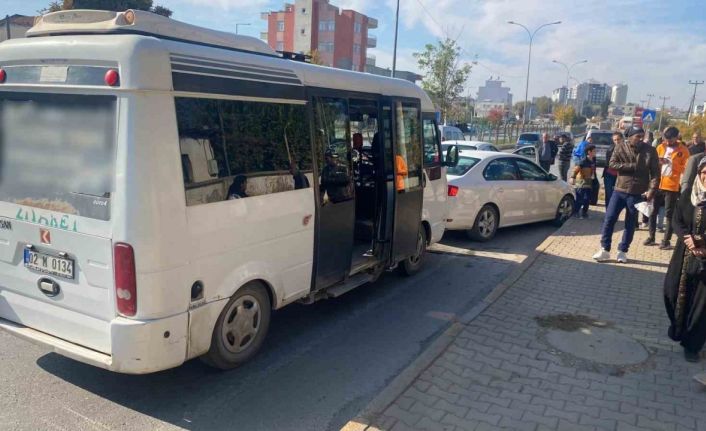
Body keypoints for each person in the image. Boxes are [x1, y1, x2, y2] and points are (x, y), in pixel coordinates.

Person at [593, 126, 660, 263]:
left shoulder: (650, 151)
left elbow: (655, 173)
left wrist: (652, 191)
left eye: (642, 136)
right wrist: (631, 166)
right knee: (609, 218)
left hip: (637, 193)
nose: (641, 139)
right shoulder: (620, 147)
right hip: (620, 190)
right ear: (630, 136)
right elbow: (612, 164)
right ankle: (605, 249)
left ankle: (623, 251)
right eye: (638, 136)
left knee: (630, 224)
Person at [664, 157, 706, 362]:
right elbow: (676, 218)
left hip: (704, 257)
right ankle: (678, 328)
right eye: (704, 172)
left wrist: (701, 242)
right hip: (683, 253)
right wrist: (687, 238)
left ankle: (692, 345)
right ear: (699, 173)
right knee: (672, 292)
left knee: (700, 305)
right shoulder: (690, 194)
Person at [646, 126, 688, 249]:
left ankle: (666, 241)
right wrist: (658, 162)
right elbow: (652, 163)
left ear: (676, 137)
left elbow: (686, 168)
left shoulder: (684, 150)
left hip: (672, 186)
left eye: (671, 139)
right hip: (658, 184)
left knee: (669, 214)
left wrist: (672, 164)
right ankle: (651, 237)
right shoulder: (660, 147)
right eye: (666, 139)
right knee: (653, 211)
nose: (668, 142)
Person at [570, 144, 596, 219]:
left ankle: (584, 213)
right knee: (579, 198)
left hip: (589, 182)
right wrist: (572, 177)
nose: (595, 152)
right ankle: (575, 213)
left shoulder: (593, 161)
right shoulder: (583, 161)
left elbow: (593, 172)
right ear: (589, 152)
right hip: (581, 182)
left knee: (587, 199)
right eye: (594, 151)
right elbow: (576, 169)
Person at [602, 132, 621, 206]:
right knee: (609, 194)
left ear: (622, 139)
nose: (617, 141)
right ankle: (608, 213)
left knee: (618, 195)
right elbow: (610, 164)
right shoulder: (610, 149)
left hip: (620, 175)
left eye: (618, 139)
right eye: (615, 140)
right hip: (609, 174)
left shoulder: (626, 149)